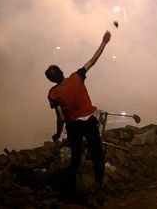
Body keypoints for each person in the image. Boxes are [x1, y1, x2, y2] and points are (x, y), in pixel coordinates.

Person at [45, 30, 111, 203]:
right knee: (97, 154)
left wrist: (58, 134)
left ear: (51, 80)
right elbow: (92, 61)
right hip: (89, 121)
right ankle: (98, 185)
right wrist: (104, 42)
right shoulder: (77, 77)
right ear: (61, 71)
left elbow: (60, 118)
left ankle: (69, 192)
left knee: (75, 158)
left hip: (73, 126)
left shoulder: (53, 93)